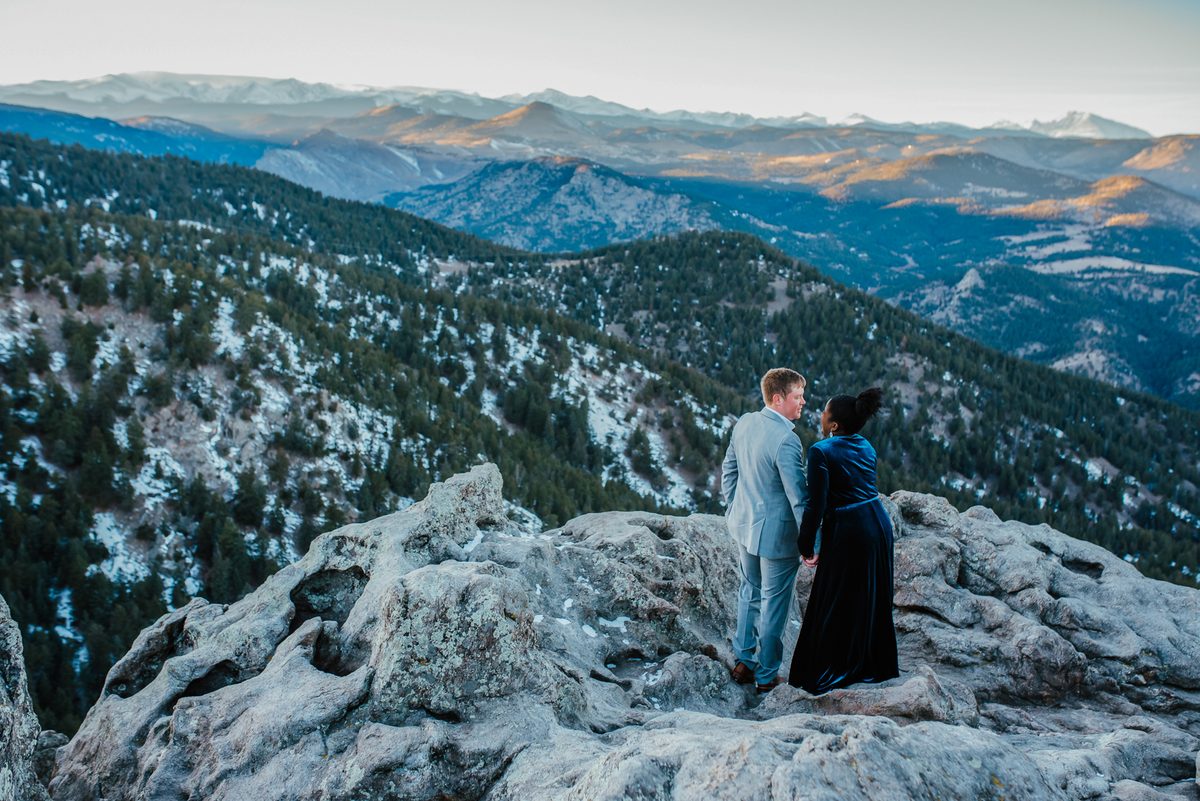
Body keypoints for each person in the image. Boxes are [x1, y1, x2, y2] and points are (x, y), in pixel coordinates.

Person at [788, 387, 898, 694]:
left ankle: (831, 669)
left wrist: (806, 545)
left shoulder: (822, 451)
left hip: (849, 529)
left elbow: (816, 505)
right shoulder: (865, 445)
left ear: (834, 425)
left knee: (836, 599)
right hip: (878, 523)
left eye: (824, 411)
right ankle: (869, 663)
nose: (820, 415)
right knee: (868, 596)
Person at [721, 368, 809, 693]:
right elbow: (798, 498)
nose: (803, 403)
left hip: (744, 526)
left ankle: (744, 661)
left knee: (749, 591)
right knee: (774, 603)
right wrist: (810, 542)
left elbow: (729, 469)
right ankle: (767, 675)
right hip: (778, 538)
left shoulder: (744, 422)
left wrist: (733, 507)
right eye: (797, 397)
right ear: (778, 398)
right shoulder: (787, 440)